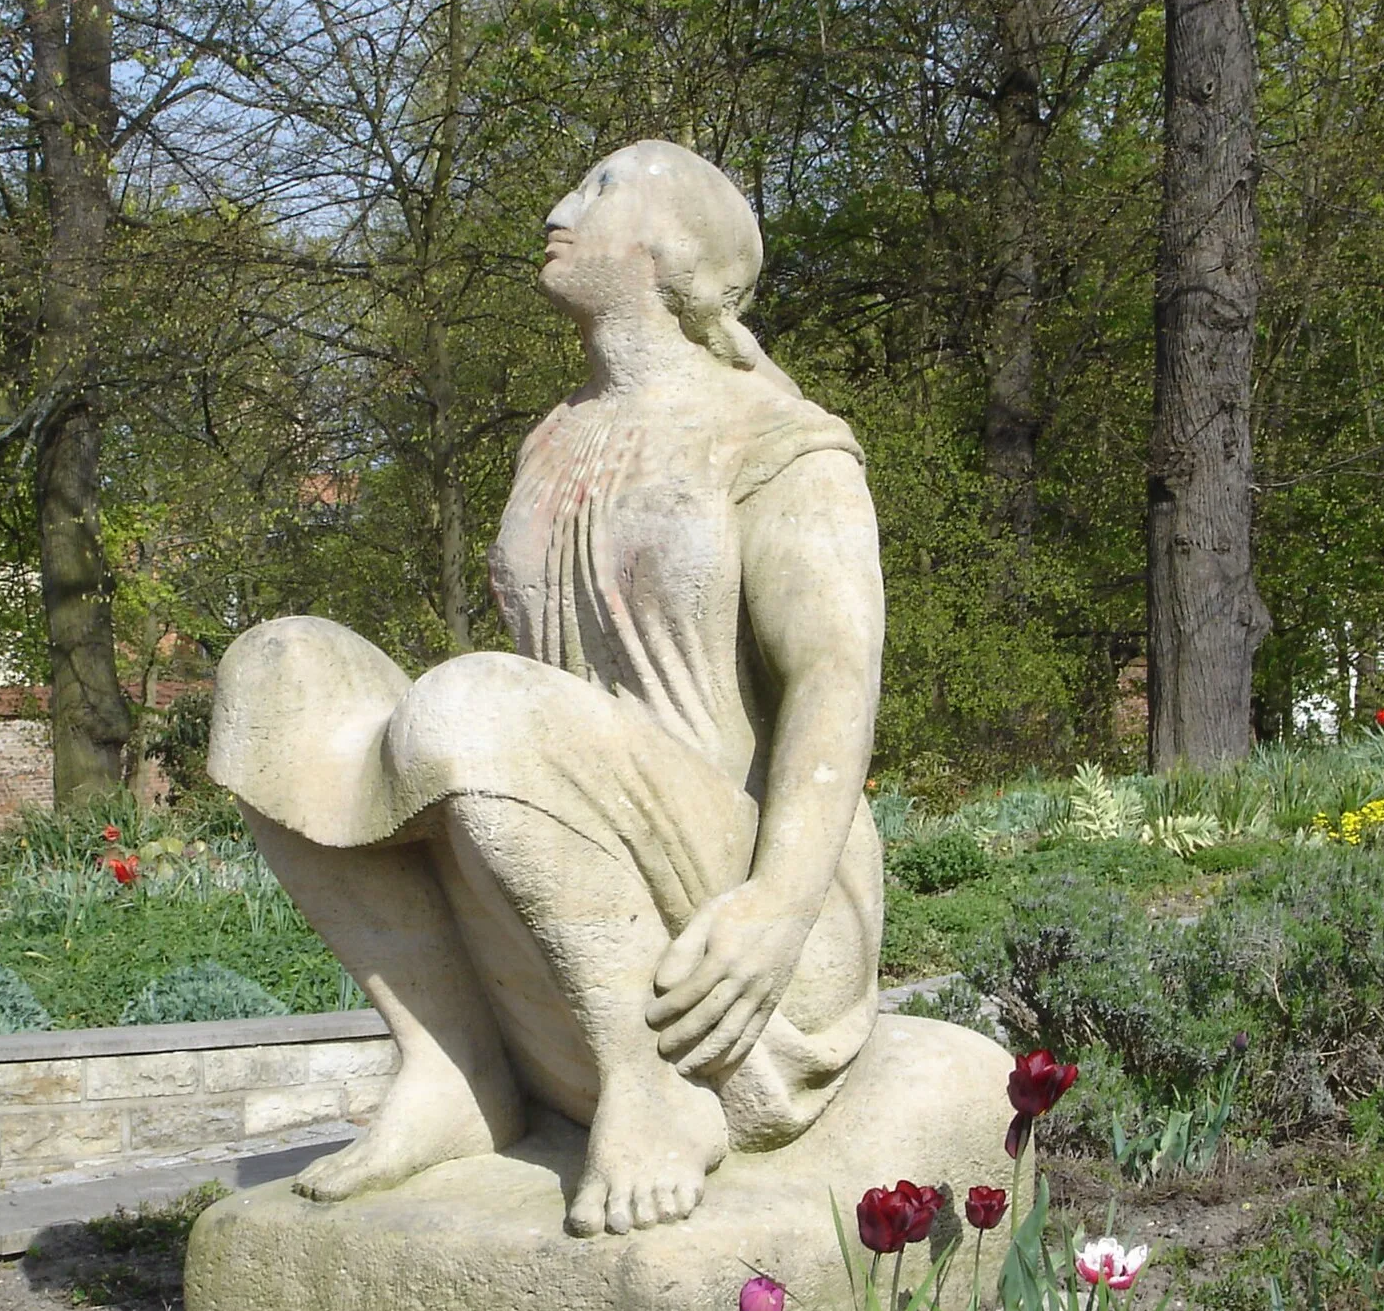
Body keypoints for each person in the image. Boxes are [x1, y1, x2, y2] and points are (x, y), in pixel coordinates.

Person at [209, 140, 885, 1237]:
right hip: (566, 870)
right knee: (279, 671)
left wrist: (775, 904)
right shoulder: (550, 439)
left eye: (599, 189)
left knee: (473, 697)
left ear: (679, 246)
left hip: (747, 908)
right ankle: (454, 1069)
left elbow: (834, 675)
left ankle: (653, 1084)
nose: (557, 208)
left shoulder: (779, 439)